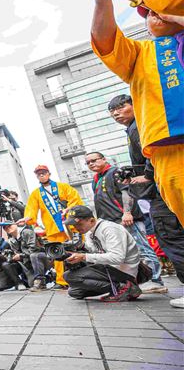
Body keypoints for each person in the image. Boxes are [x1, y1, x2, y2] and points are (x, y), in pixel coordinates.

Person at [87, 0, 183, 226]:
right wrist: (103, 3)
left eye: (158, 9)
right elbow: (106, 41)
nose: (152, 15)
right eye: (148, 13)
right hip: (169, 151)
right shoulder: (141, 52)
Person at [109, 94, 184, 308]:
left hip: (162, 188)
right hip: (162, 187)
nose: (116, 113)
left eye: (120, 107)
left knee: (170, 235)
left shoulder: (139, 126)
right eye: (112, 111)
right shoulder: (134, 127)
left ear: (135, 105)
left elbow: (152, 151)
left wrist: (148, 175)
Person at [85, 151, 166, 294]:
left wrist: (127, 213)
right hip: (111, 223)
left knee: (142, 249)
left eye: (94, 160)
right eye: (88, 162)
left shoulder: (116, 172)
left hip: (126, 219)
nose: (91, 164)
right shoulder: (96, 179)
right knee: (126, 254)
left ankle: (156, 281)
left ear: (103, 159)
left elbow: (127, 192)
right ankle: (137, 282)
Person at [18, 165, 83, 290]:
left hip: (71, 225)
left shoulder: (63, 187)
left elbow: (75, 199)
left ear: (49, 173)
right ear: (36, 176)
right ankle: (61, 281)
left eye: (43, 172)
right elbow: (31, 209)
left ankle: (80, 277)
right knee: (57, 254)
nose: (41, 175)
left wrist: (68, 209)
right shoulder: (36, 193)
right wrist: (26, 219)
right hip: (53, 228)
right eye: (39, 174)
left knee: (77, 250)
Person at [62, 206, 143, 302]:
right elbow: (94, 251)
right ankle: (117, 287)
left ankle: (124, 287)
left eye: (79, 224)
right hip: (109, 268)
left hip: (123, 271)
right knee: (74, 292)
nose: (76, 228)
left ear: (91, 220)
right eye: (74, 225)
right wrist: (75, 251)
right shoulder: (89, 232)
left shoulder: (110, 229)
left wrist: (84, 257)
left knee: (70, 276)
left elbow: (117, 258)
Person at [0, 221, 36, 291]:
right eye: (4, 228)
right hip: (24, 264)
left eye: (9, 226)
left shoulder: (27, 232)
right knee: (5, 265)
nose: (7, 228)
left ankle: (49, 277)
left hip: (35, 261)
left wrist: (21, 256)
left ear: (16, 225)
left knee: (32, 284)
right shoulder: (11, 240)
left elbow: (33, 250)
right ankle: (19, 283)